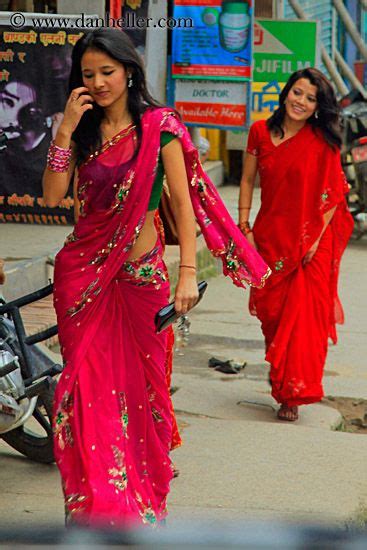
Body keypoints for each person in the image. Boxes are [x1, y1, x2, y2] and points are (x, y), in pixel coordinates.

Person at [43, 28, 270, 527]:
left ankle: (139, 509)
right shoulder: (80, 131)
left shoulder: (158, 127)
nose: (99, 82)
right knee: (82, 393)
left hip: (142, 282)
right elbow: (55, 195)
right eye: (88, 74)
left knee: (143, 398)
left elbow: (184, 208)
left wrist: (188, 272)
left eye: (108, 71)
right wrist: (64, 132)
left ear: (129, 70)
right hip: (83, 281)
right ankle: (95, 510)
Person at [239, 68, 354, 422]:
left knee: (304, 321)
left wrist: (313, 241)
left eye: (310, 98)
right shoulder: (260, 131)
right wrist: (244, 226)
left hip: (309, 244)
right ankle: (281, 382)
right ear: (285, 92)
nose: (301, 102)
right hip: (268, 236)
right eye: (297, 93)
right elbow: (246, 179)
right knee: (272, 316)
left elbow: (334, 195)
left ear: (318, 106)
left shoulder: (322, 142)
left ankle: (293, 393)